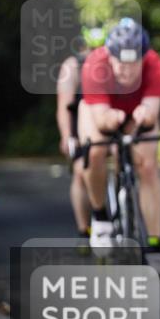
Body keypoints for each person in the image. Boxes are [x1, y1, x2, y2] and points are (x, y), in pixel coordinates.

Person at [78, 18, 160, 277]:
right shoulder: (94, 64)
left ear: (144, 58)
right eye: (121, 63)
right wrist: (113, 118)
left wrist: (144, 115)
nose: (127, 71)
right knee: (96, 151)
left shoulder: (155, 64)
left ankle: (154, 246)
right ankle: (100, 217)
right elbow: (100, 118)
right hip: (102, 110)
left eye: (134, 64)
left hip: (137, 111)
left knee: (148, 165)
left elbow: (152, 112)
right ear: (109, 56)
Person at [55, 25, 107, 243]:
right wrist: (67, 136)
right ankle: (84, 228)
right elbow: (63, 106)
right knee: (80, 170)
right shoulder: (72, 66)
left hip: (105, 116)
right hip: (79, 119)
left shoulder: (112, 63)